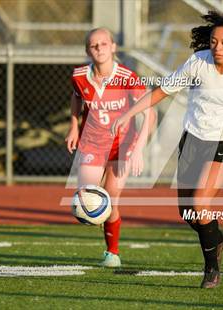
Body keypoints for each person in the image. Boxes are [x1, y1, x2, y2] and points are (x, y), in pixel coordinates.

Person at [111, 11, 223, 288]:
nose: (217, 47)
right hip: (193, 140)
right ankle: (218, 238)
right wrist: (129, 114)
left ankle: (212, 269)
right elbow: (162, 92)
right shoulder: (197, 62)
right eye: (214, 41)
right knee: (188, 213)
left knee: (201, 203)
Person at [65, 28, 156, 266]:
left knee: (111, 197)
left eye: (104, 44)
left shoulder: (127, 77)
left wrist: (138, 149)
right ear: (87, 50)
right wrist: (74, 126)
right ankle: (101, 228)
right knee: (85, 198)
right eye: (94, 45)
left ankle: (112, 253)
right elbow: (76, 97)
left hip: (122, 145)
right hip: (93, 143)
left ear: (113, 47)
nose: (99, 49)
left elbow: (150, 112)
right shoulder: (79, 75)